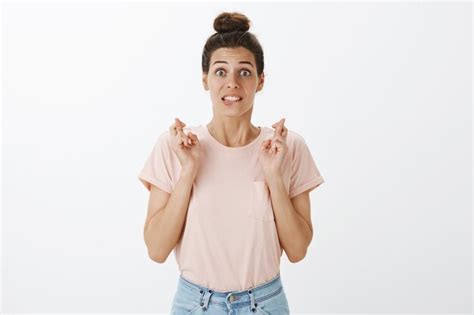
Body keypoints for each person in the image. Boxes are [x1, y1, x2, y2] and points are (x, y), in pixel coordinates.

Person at [138, 11, 325, 315]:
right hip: (194, 305)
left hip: (264, 304)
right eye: (221, 72)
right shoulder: (175, 147)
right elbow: (157, 250)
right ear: (205, 79)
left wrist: (274, 177)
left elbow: (297, 250)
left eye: (245, 72)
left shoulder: (287, 148)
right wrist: (188, 172)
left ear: (260, 81)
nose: (232, 83)